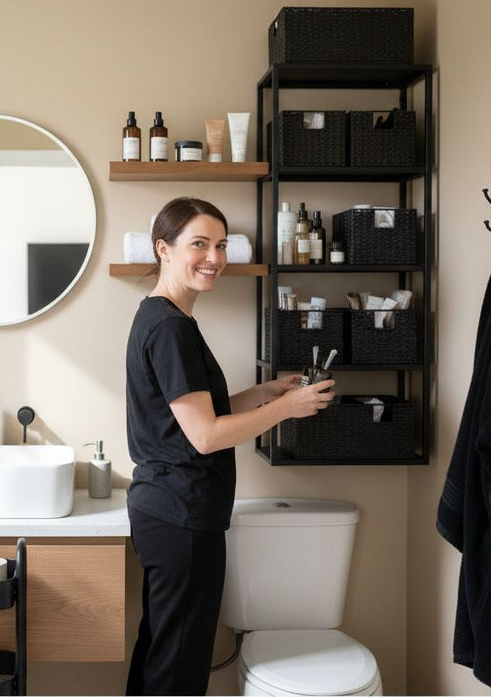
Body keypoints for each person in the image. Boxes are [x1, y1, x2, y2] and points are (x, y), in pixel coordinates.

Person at [125, 196, 336, 695]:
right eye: (199, 244)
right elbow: (204, 436)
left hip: (165, 508)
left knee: (161, 650)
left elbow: (192, 414)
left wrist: (265, 394)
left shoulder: (157, 317)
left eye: (220, 245)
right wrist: (288, 409)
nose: (214, 258)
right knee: (178, 665)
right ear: (164, 248)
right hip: (183, 512)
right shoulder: (172, 328)